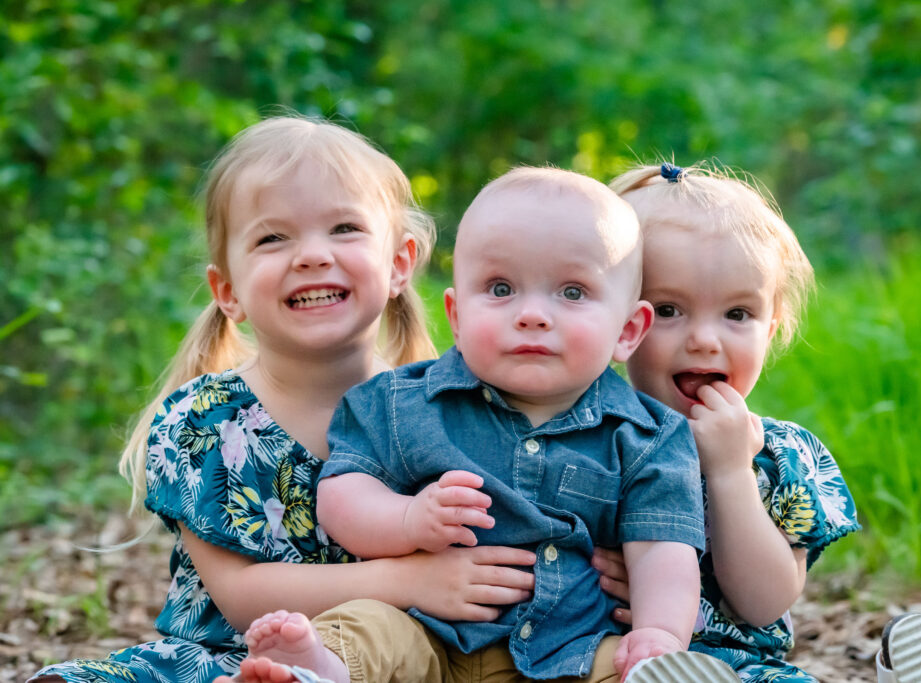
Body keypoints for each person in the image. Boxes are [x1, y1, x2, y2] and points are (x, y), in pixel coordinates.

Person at [29, 116, 541, 683]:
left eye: (345, 228)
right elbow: (243, 598)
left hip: (387, 665)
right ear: (229, 291)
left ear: (399, 263)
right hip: (235, 660)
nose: (311, 255)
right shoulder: (204, 422)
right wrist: (412, 582)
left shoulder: (444, 409)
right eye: (273, 238)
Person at [219, 167, 713, 683]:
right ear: (456, 316)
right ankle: (318, 669)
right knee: (366, 625)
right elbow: (343, 494)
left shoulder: (647, 437)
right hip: (425, 636)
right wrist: (408, 518)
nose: (532, 315)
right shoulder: (402, 405)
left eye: (572, 292)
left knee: (629, 665)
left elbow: (662, 549)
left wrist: (660, 634)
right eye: (501, 288)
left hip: (572, 652)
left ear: (628, 330)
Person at [607, 162, 862, 682]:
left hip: (738, 668)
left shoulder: (782, 454)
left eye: (737, 314)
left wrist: (729, 472)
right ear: (621, 321)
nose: (704, 340)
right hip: (608, 662)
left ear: (773, 328)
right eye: (669, 309)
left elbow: (763, 603)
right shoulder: (590, 435)